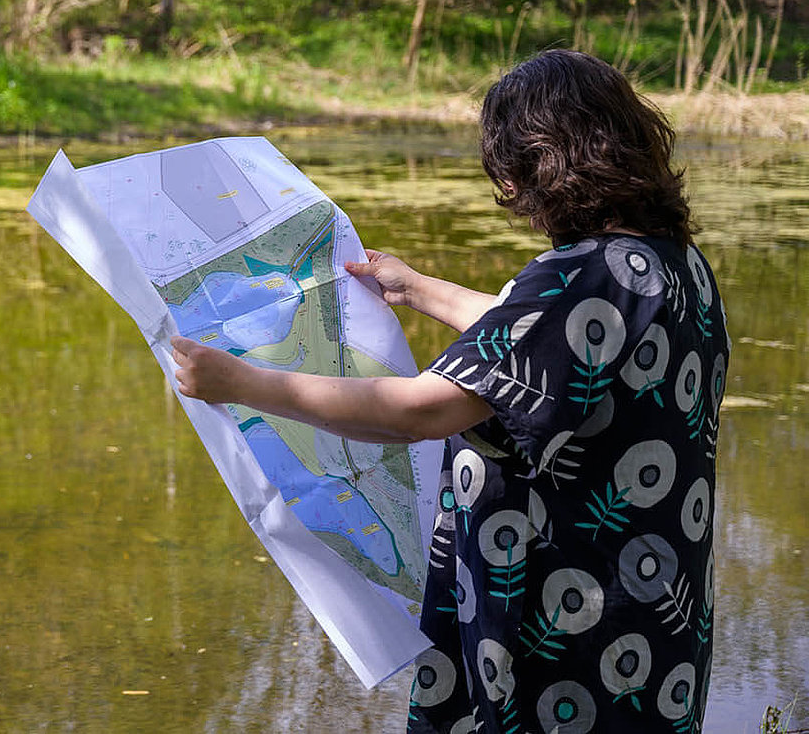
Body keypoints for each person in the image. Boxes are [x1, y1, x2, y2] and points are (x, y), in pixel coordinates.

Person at [172, 50, 727, 734]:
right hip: (647, 619)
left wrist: (243, 382)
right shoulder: (669, 265)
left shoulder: (583, 276)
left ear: (542, 163)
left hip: (568, 630)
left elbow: (421, 410)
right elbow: (543, 339)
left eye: (511, 173)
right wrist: (415, 289)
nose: (511, 194)